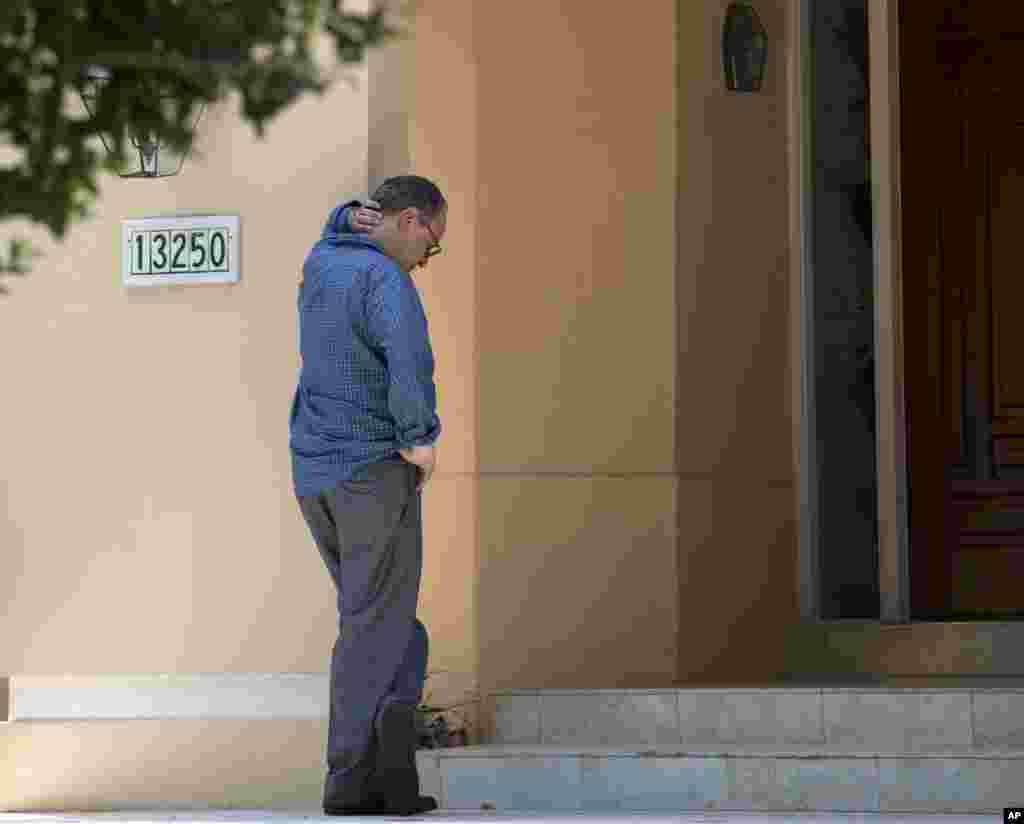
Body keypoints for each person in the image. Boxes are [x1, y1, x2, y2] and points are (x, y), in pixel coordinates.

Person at [289, 176, 447, 816]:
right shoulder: (385, 281)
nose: (425, 260)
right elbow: (407, 360)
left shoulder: (321, 260)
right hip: (371, 469)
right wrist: (420, 437)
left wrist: (345, 216)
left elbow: (336, 225)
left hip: (317, 474)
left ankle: (393, 778)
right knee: (372, 627)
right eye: (430, 244)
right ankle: (347, 779)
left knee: (394, 627)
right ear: (408, 221)